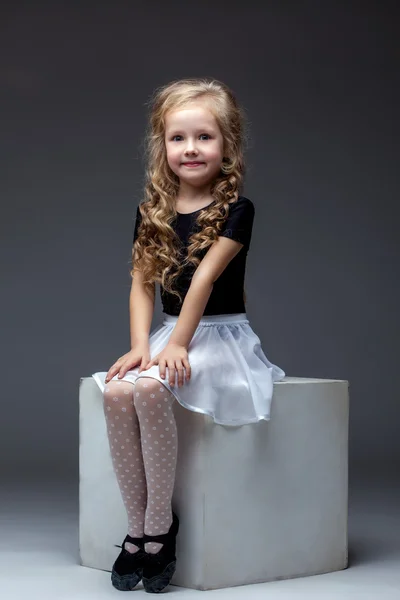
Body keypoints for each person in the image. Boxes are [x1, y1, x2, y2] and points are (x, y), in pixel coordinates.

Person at [92, 77, 286, 593]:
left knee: (152, 387)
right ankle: (136, 528)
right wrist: (142, 345)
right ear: (162, 147)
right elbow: (140, 286)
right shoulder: (150, 211)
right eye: (178, 138)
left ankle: (161, 527)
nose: (191, 149)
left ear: (228, 145)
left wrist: (178, 343)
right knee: (116, 390)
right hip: (168, 333)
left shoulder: (236, 209)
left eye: (205, 137)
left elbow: (204, 279)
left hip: (217, 335)